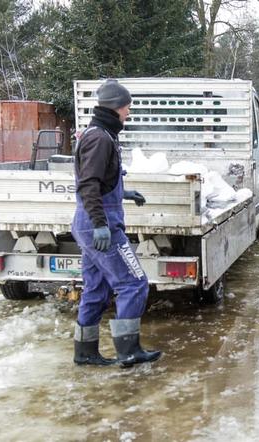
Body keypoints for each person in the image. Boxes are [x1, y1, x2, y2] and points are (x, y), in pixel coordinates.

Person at [72, 79, 161, 367]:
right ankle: (129, 352)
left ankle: (85, 352)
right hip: (101, 227)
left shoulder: (102, 134)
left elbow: (103, 180)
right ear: (115, 107)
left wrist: (125, 192)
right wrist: (100, 223)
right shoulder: (99, 138)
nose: (129, 113)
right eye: (126, 107)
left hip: (90, 223)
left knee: (96, 289)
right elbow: (88, 184)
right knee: (134, 283)